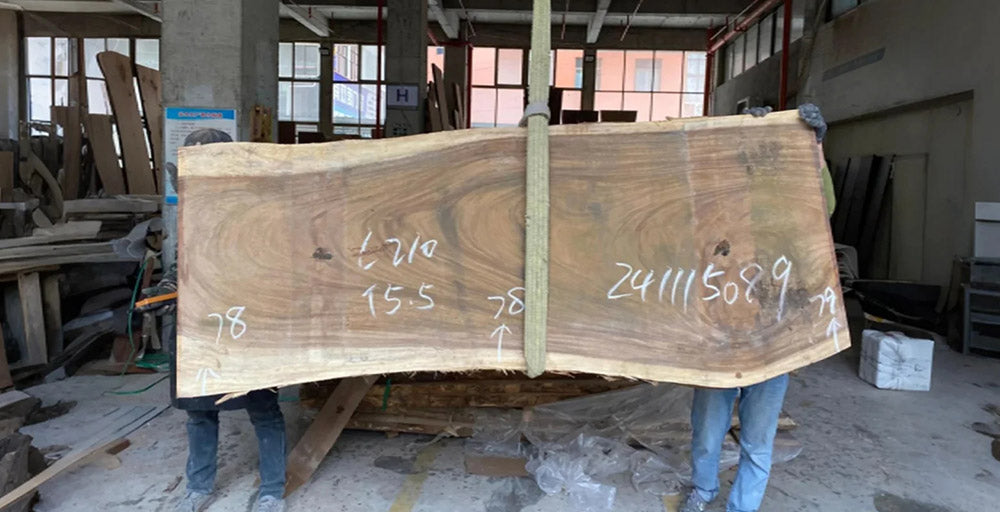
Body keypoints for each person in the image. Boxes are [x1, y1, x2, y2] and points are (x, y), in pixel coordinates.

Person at [680, 104, 833, 512]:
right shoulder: (718, 202)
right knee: (707, 432)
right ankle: (703, 490)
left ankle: (742, 507)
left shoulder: (784, 204)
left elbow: (823, 205)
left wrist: (812, 147)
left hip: (772, 336)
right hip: (723, 332)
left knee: (757, 439)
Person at [160, 128, 288, 512]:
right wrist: (170, 287)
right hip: (202, 327)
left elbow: (276, 261)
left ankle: (272, 490)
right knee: (200, 411)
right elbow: (182, 263)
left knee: (264, 409)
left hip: (249, 324)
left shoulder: (256, 207)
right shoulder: (191, 210)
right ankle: (198, 488)